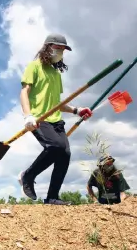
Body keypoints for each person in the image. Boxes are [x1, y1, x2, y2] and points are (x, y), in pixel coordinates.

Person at [18, 33, 93, 205]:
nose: (60, 52)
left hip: (56, 120)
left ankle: (52, 197)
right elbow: (24, 92)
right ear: (47, 47)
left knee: (65, 154)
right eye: (57, 48)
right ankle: (28, 176)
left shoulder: (56, 74)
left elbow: (57, 103)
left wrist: (77, 110)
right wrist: (27, 115)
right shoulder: (34, 67)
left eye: (63, 50)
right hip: (38, 118)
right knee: (56, 146)